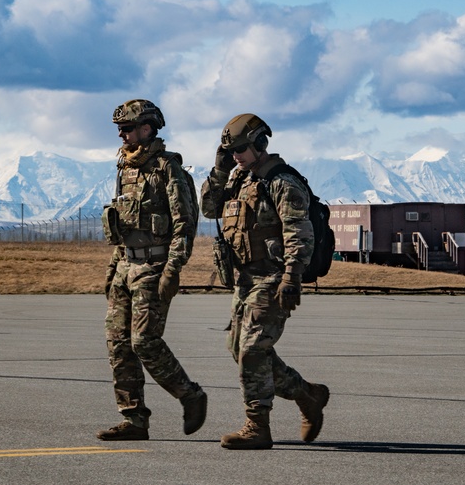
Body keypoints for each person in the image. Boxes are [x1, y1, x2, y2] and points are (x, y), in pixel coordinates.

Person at [200, 113, 330, 450]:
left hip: (272, 278)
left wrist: (292, 276)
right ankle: (307, 394)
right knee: (240, 351)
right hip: (244, 279)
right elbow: (209, 208)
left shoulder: (282, 182)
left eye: (241, 148)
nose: (237, 155)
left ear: (260, 143)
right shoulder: (238, 178)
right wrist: (219, 170)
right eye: (230, 151)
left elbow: (299, 232)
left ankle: (257, 426)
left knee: (253, 353)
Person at [97, 98, 207, 441]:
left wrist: (172, 269)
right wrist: (114, 266)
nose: (121, 135)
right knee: (119, 344)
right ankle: (133, 419)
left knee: (144, 341)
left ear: (147, 128)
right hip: (125, 266)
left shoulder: (168, 169)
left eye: (127, 128)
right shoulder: (125, 168)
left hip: (153, 265)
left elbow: (184, 224)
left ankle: (189, 394)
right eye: (119, 130)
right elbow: (124, 224)